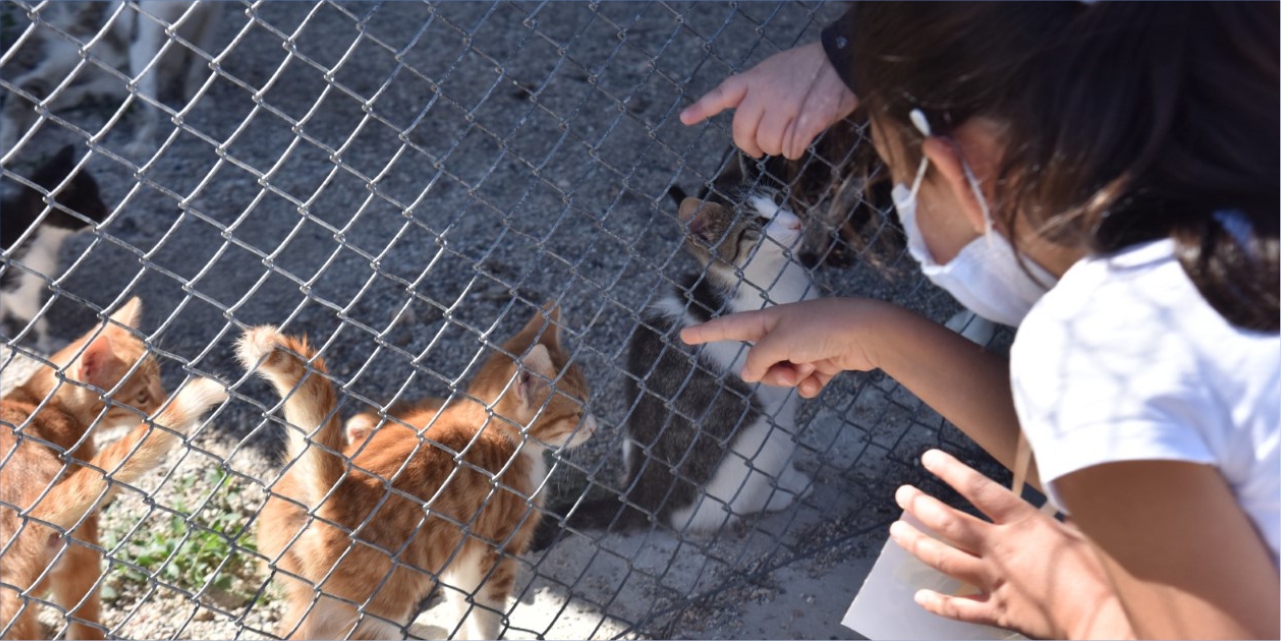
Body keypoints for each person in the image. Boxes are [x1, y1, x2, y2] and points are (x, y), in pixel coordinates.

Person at [678, 3, 1279, 639]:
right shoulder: (1237, 226)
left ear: (962, 165)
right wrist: (876, 333)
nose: (904, 203)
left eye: (898, 175)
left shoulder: (1102, 347)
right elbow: (1149, 458)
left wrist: (1078, 603)